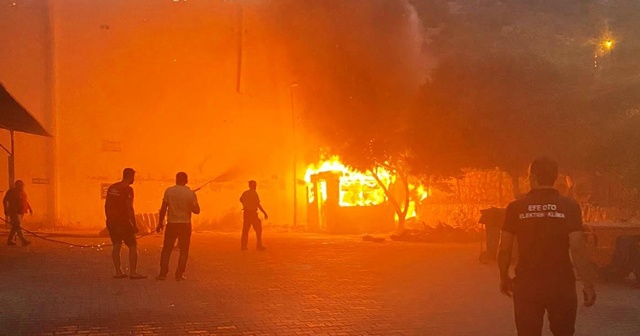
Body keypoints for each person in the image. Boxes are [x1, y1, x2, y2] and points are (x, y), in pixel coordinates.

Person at [498, 157, 597, 336]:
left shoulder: (515, 208)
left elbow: (504, 248)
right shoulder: (570, 207)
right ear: (555, 177)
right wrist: (588, 283)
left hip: (527, 285)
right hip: (561, 285)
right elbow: (577, 247)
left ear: (532, 178)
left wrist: (504, 277)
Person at [156, 172, 200, 281]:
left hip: (171, 224)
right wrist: (190, 203)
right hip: (185, 225)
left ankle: (162, 274)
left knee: (166, 249)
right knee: (184, 250)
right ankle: (179, 275)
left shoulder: (169, 191)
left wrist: (160, 222)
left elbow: (163, 208)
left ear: (176, 179)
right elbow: (197, 211)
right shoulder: (190, 194)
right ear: (186, 180)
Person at [105, 168, 146, 279]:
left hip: (112, 221)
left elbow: (107, 204)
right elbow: (129, 208)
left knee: (116, 245)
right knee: (133, 246)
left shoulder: (112, 187)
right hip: (123, 222)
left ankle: (118, 272)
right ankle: (133, 272)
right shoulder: (127, 189)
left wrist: (109, 219)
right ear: (131, 176)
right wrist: (134, 224)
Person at [239, 180, 268, 251]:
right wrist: (264, 213)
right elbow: (258, 204)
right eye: (255, 185)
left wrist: (245, 205)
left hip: (246, 213)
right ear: (254, 186)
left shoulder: (245, 193)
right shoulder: (254, 193)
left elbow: (240, 199)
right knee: (258, 229)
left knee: (245, 230)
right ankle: (259, 245)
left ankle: (243, 246)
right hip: (252, 213)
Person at [3, 180, 32, 246]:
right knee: (18, 226)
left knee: (15, 227)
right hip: (14, 211)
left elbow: (25, 201)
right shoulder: (11, 192)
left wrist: (29, 208)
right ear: (17, 185)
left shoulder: (22, 192)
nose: (22, 187)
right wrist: (5, 209)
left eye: (22, 185)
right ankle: (23, 240)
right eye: (20, 185)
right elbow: (5, 200)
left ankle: (10, 240)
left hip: (21, 212)